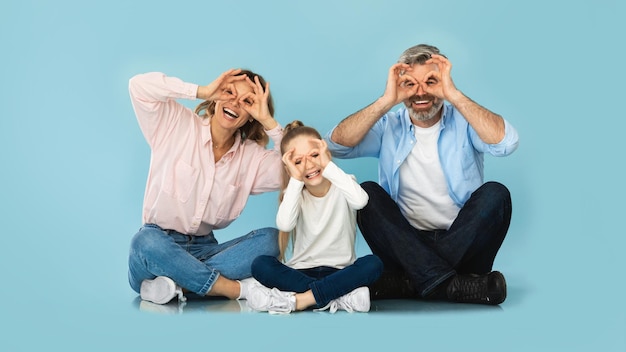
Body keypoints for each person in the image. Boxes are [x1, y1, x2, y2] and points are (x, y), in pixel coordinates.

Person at [325, 44, 519, 305]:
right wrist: (386, 101)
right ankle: (454, 286)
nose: (420, 92)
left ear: (444, 83)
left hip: (463, 243)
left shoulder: (465, 122)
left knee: (496, 194)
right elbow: (337, 145)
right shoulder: (389, 126)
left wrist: (454, 95)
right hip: (404, 245)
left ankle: (408, 282)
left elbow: (507, 143)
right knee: (366, 194)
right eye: (410, 84)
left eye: (431, 82)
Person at [127, 68, 284, 305]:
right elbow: (138, 85)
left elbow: (295, 169)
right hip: (159, 245)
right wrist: (201, 91)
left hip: (206, 251)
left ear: (252, 113)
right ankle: (231, 289)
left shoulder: (251, 158)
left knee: (274, 240)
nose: (234, 103)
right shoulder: (175, 124)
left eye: (247, 101)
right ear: (216, 95)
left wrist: (268, 121)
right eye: (228, 92)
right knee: (144, 243)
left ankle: (175, 286)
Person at [246, 121, 383, 314]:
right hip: (301, 272)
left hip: (340, 271)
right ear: (290, 168)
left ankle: (300, 300)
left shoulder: (344, 183)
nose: (309, 165)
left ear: (325, 154)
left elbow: (361, 201)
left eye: (314, 155)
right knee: (260, 264)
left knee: (373, 264)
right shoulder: (294, 193)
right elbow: (284, 224)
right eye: (298, 162)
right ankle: (338, 296)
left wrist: (327, 164)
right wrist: (294, 179)